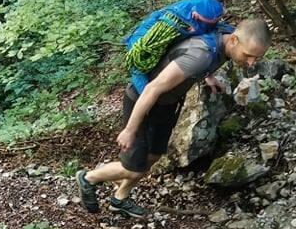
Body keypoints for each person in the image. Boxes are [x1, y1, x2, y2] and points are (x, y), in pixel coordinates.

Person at [76, 18, 272, 217]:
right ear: (234, 41)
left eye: (257, 58)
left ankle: (120, 199)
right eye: (248, 55)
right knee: (134, 169)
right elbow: (152, 88)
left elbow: (202, 58)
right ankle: (88, 178)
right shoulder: (200, 55)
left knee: (153, 157)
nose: (251, 63)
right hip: (142, 101)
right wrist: (130, 130)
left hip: (167, 105)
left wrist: (208, 76)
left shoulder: (224, 39)